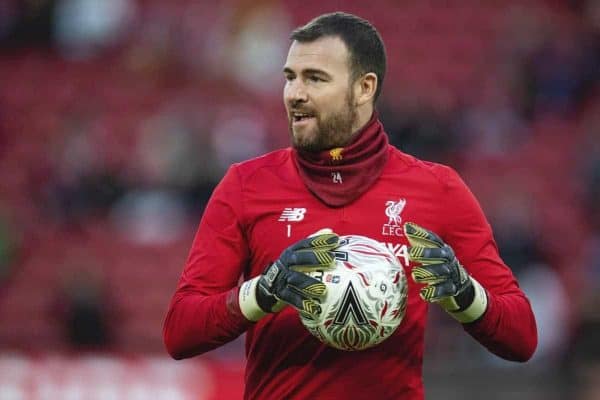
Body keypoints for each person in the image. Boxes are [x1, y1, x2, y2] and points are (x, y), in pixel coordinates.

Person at [163, 12, 537, 399]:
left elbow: (522, 337)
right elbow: (180, 332)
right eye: (290, 77)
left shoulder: (437, 188)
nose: (295, 94)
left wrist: (463, 293)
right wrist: (263, 292)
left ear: (364, 87)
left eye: (315, 78)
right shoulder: (246, 184)